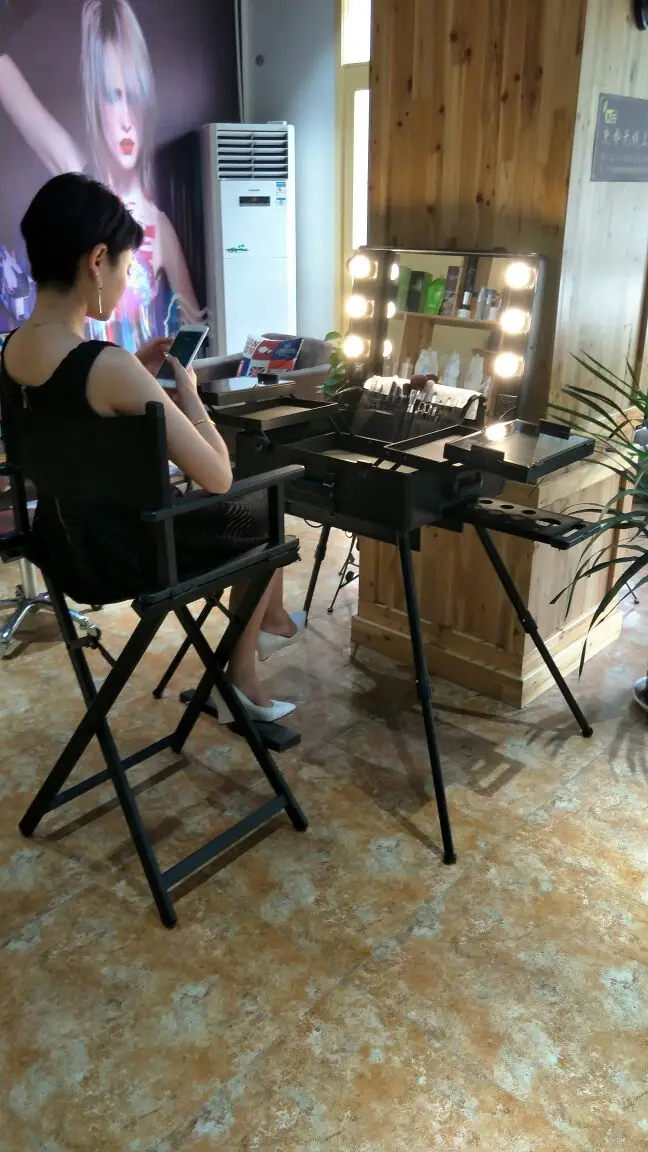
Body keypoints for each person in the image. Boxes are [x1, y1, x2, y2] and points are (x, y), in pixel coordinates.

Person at [0, 173, 299, 722]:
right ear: (97, 260)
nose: (125, 279)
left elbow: (76, 419)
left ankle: (263, 636)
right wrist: (191, 397)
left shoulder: (14, 351)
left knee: (252, 518)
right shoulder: (105, 365)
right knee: (264, 512)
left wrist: (137, 372)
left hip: (61, 548)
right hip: (122, 557)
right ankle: (247, 667)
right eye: (125, 266)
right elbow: (218, 476)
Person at [0, 0, 200, 350]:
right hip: (81, 376)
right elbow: (11, 87)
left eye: (133, 96)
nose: (126, 119)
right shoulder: (79, 187)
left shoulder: (158, 227)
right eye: (112, 96)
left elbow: (195, 329)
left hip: (135, 378)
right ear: (95, 101)